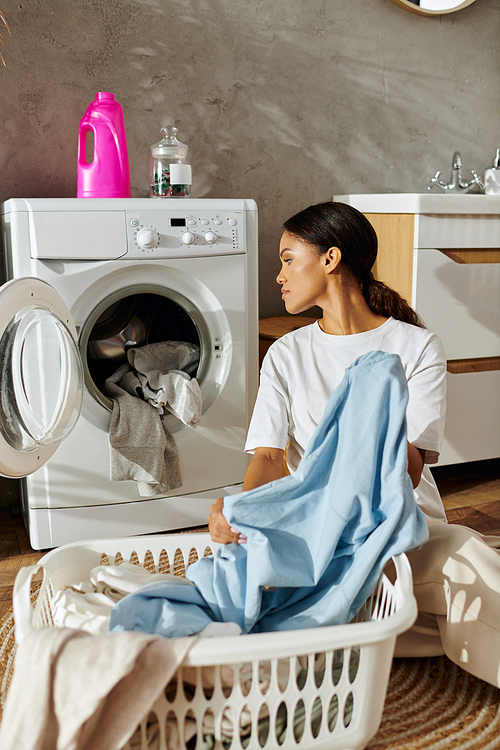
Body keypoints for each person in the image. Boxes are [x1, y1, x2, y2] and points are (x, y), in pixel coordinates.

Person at [209, 201, 500, 688]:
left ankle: (390, 623)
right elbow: (266, 456)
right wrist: (243, 510)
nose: (278, 275)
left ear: (330, 258)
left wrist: (352, 527)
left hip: (397, 529)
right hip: (315, 532)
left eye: (286, 258)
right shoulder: (286, 353)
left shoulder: (415, 347)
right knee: (236, 584)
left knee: (466, 562)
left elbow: (406, 466)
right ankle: (393, 627)